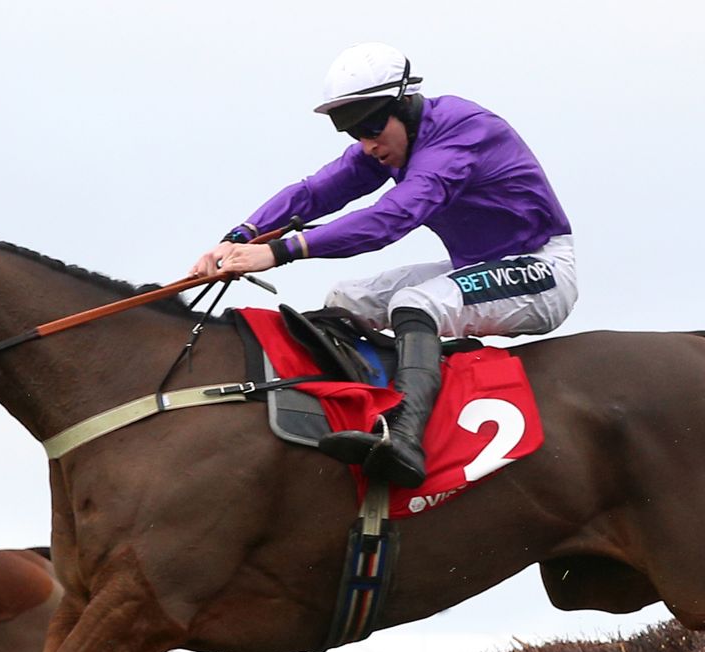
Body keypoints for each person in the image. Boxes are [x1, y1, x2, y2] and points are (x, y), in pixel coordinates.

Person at [192, 43, 578, 488]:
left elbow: (389, 219)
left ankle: (407, 439)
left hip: (542, 271)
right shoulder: (395, 141)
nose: (368, 143)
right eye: (354, 132)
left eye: (373, 125)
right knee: (345, 300)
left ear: (405, 105)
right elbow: (315, 193)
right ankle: (355, 408)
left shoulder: (460, 134)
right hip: (476, 264)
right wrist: (238, 237)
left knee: (416, 303)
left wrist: (280, 251)